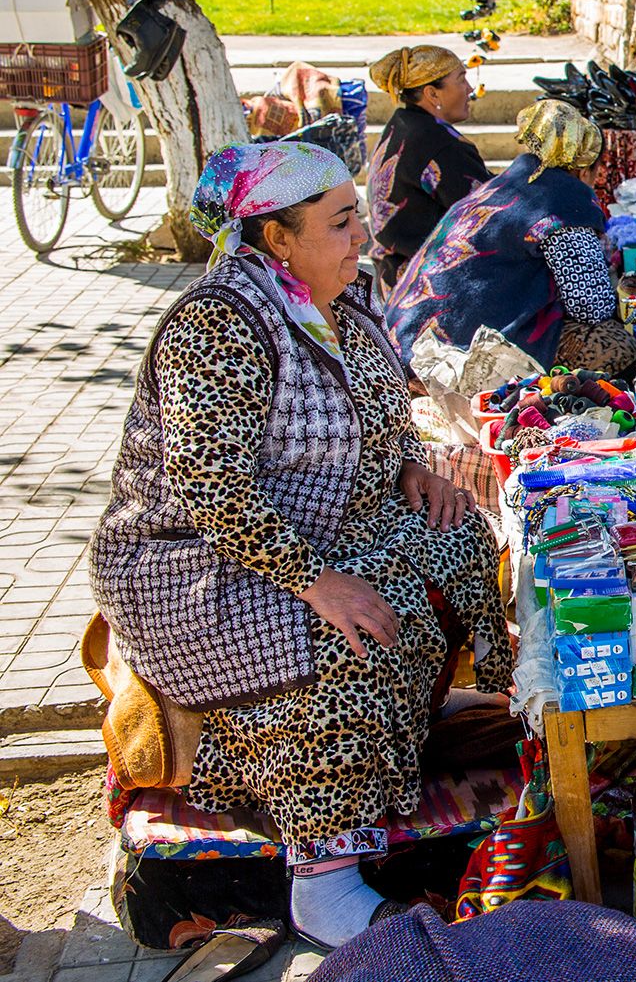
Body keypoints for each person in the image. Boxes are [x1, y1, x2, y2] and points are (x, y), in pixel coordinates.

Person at [89, 141, 511, 949]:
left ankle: (403, 741)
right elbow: (212, 489)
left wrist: (416, 471)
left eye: (358, 218)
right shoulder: (219, 323)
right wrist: (320, 582)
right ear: (278, 239)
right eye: (342, 222)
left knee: (454, 536)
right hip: (193, 560)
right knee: (341, 634)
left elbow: (384, 416)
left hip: (313, 532)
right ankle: (324, 877)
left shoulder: (339, 307)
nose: (363, 236)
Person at [385, 100, 636, 379]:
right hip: (441, 357)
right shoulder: (563, 203)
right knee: (617, 343)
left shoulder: (505, 185)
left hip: (401, 340)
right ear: (584, 169)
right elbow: (591, 305)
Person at [364, 46, 489, 292]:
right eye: (461, 79)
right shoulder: (439, 145)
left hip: (393, 276)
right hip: (427, 285)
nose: (470, 89)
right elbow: (486, 214)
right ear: (432, 94)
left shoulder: (402, 124)